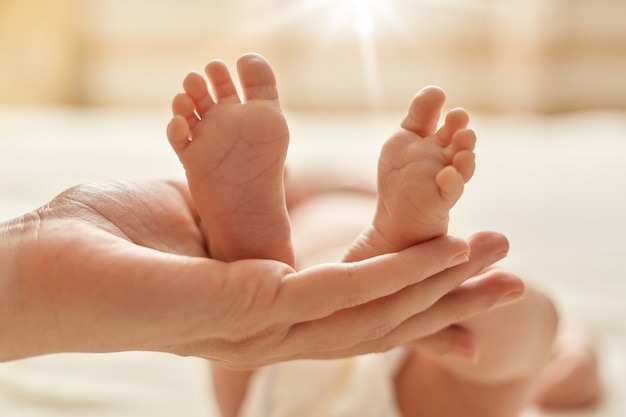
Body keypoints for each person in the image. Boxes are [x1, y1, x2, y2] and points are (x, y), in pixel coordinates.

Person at [166, 53, 600, 417]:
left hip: (278, 341)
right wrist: (561, 340)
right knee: (518, 324)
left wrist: (571, 348)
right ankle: (406, 263)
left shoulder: (305, 208)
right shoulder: (328, 196)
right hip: (416, 345)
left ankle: (246, 256)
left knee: (239, 317)